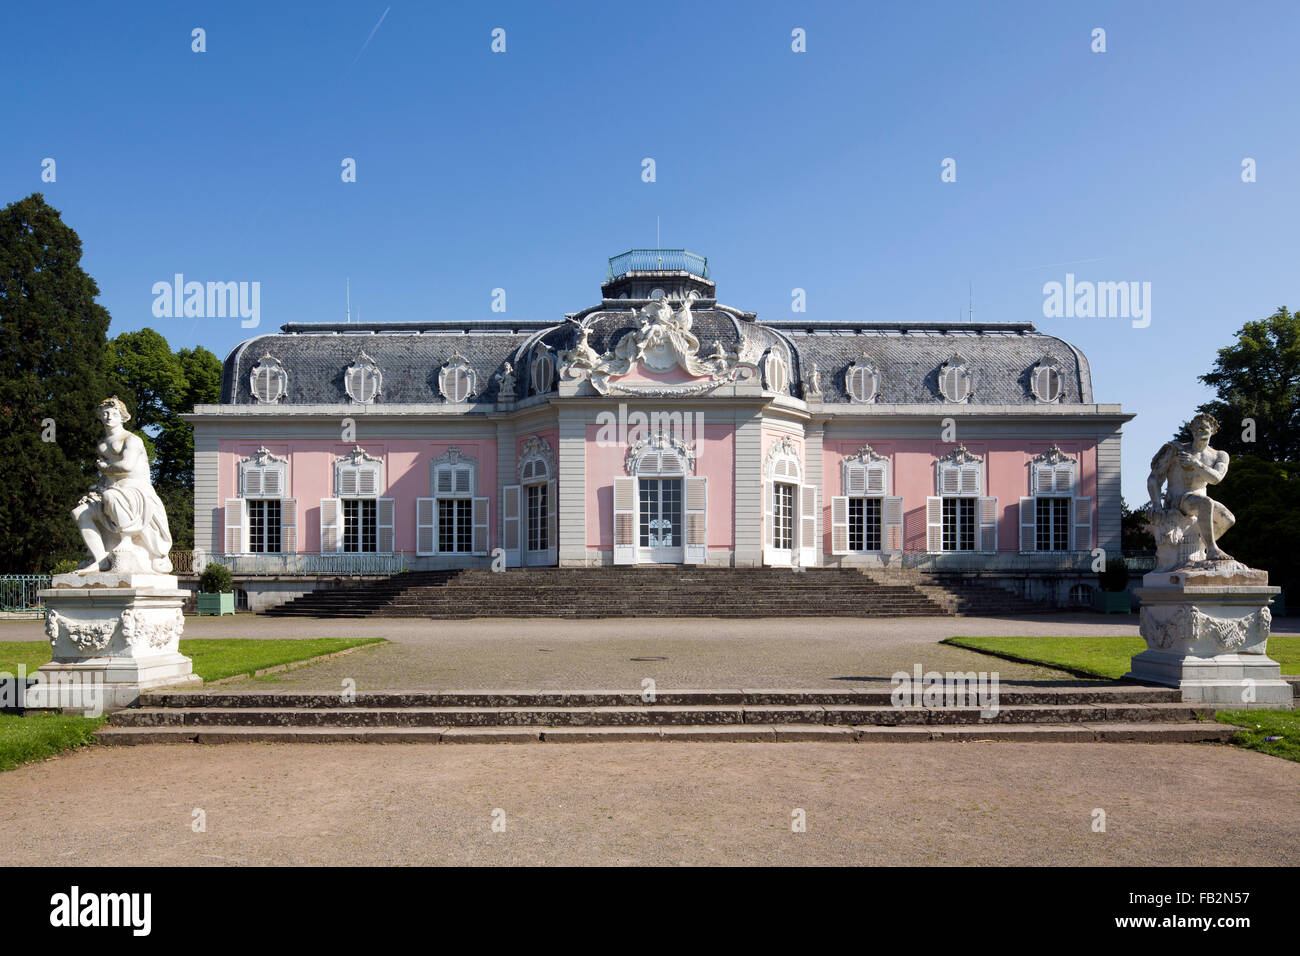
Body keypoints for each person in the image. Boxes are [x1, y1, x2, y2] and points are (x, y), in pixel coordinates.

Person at [72, 397, 173, 573]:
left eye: (113, 413)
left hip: (136, 490)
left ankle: (126, 538)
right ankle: (100, 559)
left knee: (111, 496)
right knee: (79, 513)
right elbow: (106, 477)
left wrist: (105, 468)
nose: (109, 417)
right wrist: (96, 490)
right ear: (100, 417)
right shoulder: (102, 444)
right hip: (111, 488)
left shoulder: (131, 440)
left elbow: (127, 466)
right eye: (105, 413)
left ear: (121, 416)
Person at [1146, 412, 1234, 561]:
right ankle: (1213, 550)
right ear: (1191, 431)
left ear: (1212, 430)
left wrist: (1196, 464)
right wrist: (1156, 504)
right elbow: (1154, 478)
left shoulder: (1219, 456)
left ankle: (1202, 546)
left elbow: (1216, 479)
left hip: (1198, 499)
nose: (1198, 432)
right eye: (1195, 429)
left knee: (1228, 519)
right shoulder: (1176, 450)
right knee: (1206, 503)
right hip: (1177, 500)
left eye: (1203, 428)